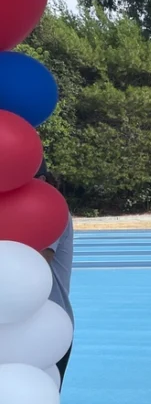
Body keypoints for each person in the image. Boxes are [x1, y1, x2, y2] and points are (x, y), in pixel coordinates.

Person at [35, 161, 74, 390]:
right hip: (13, 325)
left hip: (49, 323)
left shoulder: (53, 213)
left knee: (39, 401)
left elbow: (36, 263)